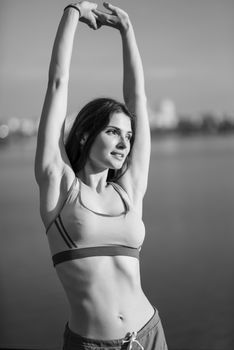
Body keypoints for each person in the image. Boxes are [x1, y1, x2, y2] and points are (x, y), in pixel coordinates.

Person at [34, 2, 168, 349]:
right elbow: (57, 84)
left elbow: (137, 97)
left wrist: (127, 30)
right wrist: (73, 12)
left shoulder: (129, 190)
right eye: (112, 132)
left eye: (128, 135)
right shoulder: (60, 185)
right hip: (90, 344)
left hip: (150, 335)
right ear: (84, 135)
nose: (124, 142)